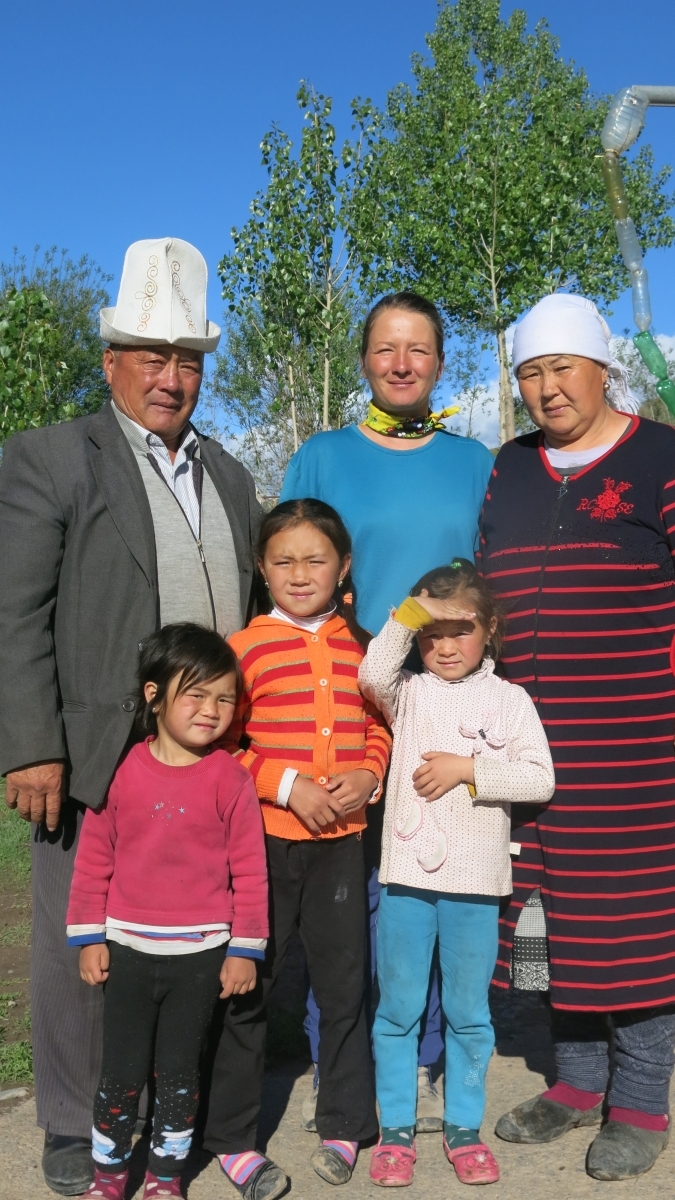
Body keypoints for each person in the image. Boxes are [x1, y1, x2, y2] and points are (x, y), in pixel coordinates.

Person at [0, 238, 262, 1197]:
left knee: (195, 943)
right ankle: (78, 1124)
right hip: (96, 758)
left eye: (187, 358)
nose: (171, 376)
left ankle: (178, 1114)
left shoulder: (229, 474)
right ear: (110, 360)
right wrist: (32, 745)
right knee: (89, 948)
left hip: (210, 766)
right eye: (151, 355)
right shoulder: (49, 459)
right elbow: (13, 611)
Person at [280, 292, 494, 1131]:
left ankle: (430, 1050)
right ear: (363, 359)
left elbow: (492, 580)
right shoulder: (322, 456)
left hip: (445, 694)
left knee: (437, 872)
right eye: (384, 349)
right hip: (347, 689)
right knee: (345, 881)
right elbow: (294, 567)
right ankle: (345, 1048)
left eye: (418, 350)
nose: (401, 364)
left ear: (439, 363)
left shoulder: (474, 459)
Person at [481, 293, 675, 1181]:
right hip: (529, 751)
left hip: (636, 748)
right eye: (529, 372)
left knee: (635, 928)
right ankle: (573, 1084)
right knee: (547, 922)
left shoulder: (661, 457)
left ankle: (638, 1103)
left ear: (603, 368)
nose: (546, 388)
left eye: (561, 368)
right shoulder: (509, 469)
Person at [202, 499, 391, 1197]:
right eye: (282, 560)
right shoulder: (242, 647)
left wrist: (370, 772)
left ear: (343, 567)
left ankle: (345, 1121)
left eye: (315, 559)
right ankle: (229, 1135)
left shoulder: (363, 648)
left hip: (342, 847)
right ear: (261, 567)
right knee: (247, 985)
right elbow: (222, 745)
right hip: (260, 848)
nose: (299, 572)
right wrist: (285, 785)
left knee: (344, 986)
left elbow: (382, 727)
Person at [358, 559, 554, 1187]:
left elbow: (540, 778)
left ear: (491, 629)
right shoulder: (407, 692)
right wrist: (411, 607)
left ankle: (463, 1127)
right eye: (431, 632)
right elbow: (371, 671)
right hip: (407, 883)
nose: (444, 645)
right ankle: (395, 1131)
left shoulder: (512, 700)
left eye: (461, 630)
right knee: (398, 1011)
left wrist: (469, 769)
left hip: (476, 887)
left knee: (470, 1014)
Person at [66, 624, 268, 1200]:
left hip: (201, 958)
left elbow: (250, 873)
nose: (212, 710)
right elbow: (94, 860)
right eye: (195, 694)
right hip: (126, 952)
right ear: (153, 696)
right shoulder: (122, 769)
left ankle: (163, 1179)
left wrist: (244, 949)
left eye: (225, 698)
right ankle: (108, 1178)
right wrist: (88, 938)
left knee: (179, 1077)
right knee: (121, 1075)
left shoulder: (231, 779)